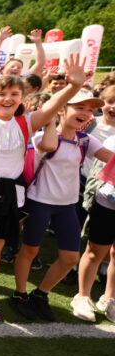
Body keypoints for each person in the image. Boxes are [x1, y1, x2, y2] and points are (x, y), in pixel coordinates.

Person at [0, 54, 87, 323]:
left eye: (14, 93)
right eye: (2, 93)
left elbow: (51, 109)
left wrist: (72, 87)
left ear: (23, 98)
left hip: (11, 191)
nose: (8, 98)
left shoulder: (26, 122)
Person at [11, 92, 113, 321]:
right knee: (29, 251)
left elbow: (110, 157)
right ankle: (20, 295)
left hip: (67, 205)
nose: (86, 113)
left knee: (70, 258)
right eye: (80, 107)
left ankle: (41, 294)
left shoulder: (85, 140)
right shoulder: (42, 137)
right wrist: (49, 121)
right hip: (40, 202)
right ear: (61, 109)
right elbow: (48, 144)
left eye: (90, 109)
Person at [74, 134, 115, 322]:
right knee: (95, 251)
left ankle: (109, 299)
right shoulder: (112, 140)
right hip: (108, 202)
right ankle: (83, 296)